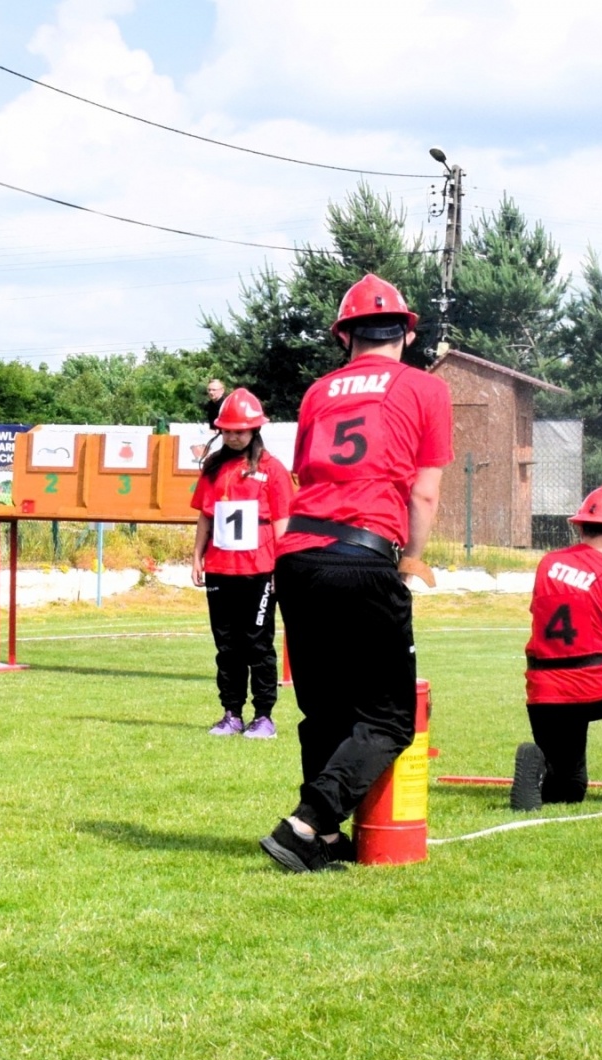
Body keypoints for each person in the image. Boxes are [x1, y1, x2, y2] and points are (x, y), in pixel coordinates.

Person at [259, 273, 452, 873]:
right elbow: (422, 494)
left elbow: (307, 479)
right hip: (363, 554)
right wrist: (409, 557)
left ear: (347, 336)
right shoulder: (425, 390)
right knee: (390, 719)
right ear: (406, 334)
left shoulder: (318, 393)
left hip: (298, 557)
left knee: (326, 712)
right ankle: (308, 821)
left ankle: (324, 842)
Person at [511, 482, 602, 812]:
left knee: (569, 788)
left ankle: (538, 769)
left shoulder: (547, 564)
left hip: (544, 695)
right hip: (597, 687)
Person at [190, 387, 294, 740]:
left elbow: (282, 522)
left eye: (240, 430)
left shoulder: (273, 470)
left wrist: (283, 567)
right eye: (228, 430)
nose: (234, 436)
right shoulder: (213, 468)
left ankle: (264, 716)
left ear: (255, 430)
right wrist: (196, 557)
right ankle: (231, 713)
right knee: (227, 647)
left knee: (258, 645)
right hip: (220, 569)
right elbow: (206, 516)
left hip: (261, 570)